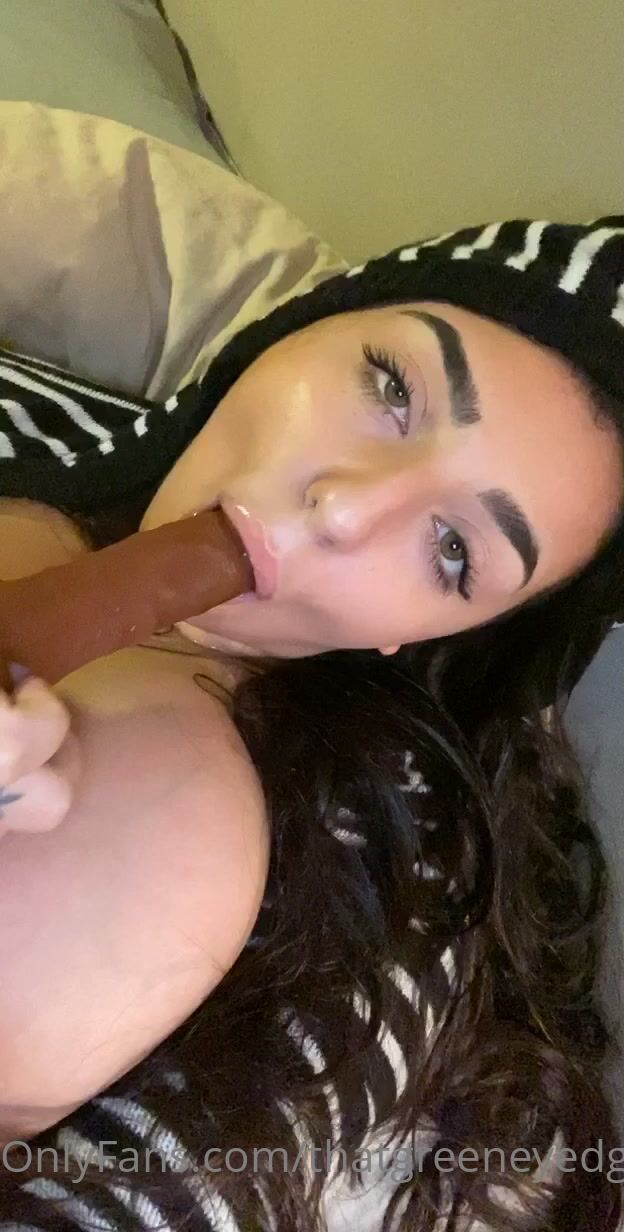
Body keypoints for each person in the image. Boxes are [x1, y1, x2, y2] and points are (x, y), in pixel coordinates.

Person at [1, 213, 624, 1232]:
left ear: (418, 636)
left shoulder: (196, 822)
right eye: (390, 387)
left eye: (453, 552)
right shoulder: (50, 426)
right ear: (301, 326)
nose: (343, 510)